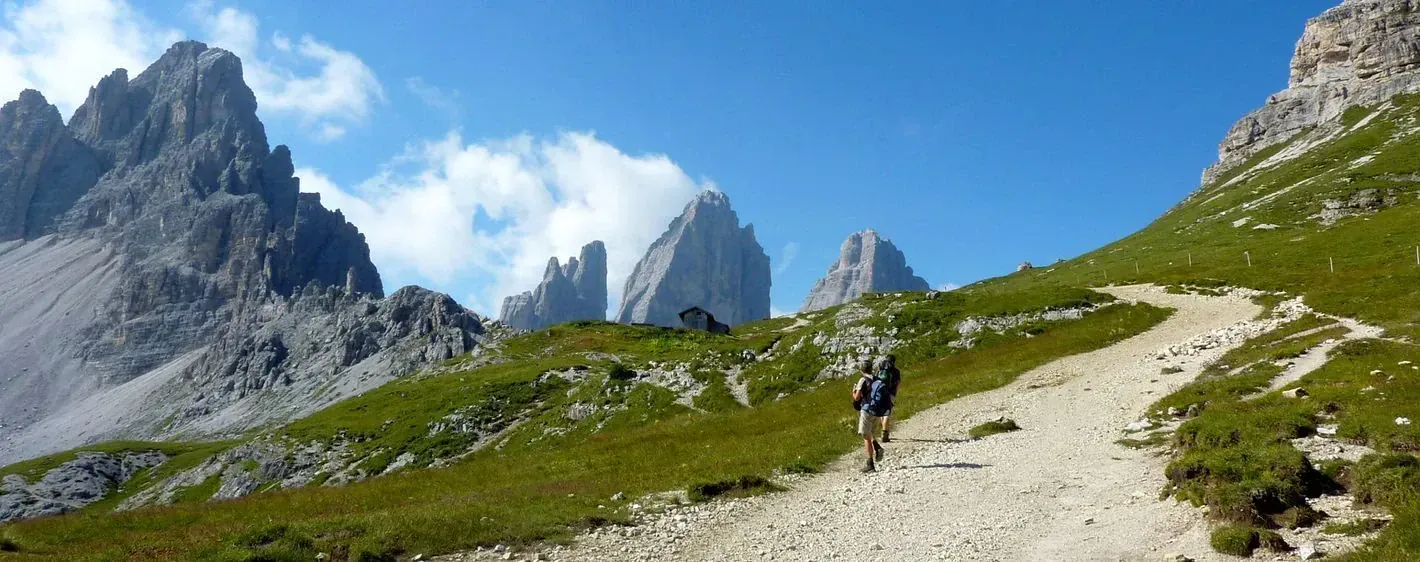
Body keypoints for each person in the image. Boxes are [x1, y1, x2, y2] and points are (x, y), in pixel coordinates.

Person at [852, 358, 890, 472]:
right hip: (877, 411)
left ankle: (870, 464)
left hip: (866, 410)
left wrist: (853, 392)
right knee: (871, 432)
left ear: (861, 370)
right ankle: (877, 447)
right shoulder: (877, 379)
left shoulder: (862, 380)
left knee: (865, 436)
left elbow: (857, 398)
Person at [876, 354, 902, 443]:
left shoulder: (880, 368)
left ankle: (883, 429)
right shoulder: (896, 371)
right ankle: (885, 433)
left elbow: (876, 379)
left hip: (879, 393)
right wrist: (895, 393)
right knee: (887, 413)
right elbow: (898, 383)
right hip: (890, 393)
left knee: (881, 413)